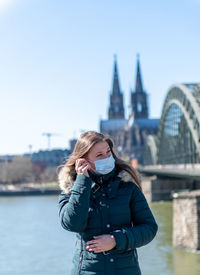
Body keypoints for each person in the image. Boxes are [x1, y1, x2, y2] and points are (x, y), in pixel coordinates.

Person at [57, 131, 158, 275]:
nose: (107, 158)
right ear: (83, 160)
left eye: (108, 152)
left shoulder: (128, 187)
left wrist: (116, 240)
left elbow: (149, 228)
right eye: (99, 155)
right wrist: (82, 182)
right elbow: (73, 224)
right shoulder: (70, 189)